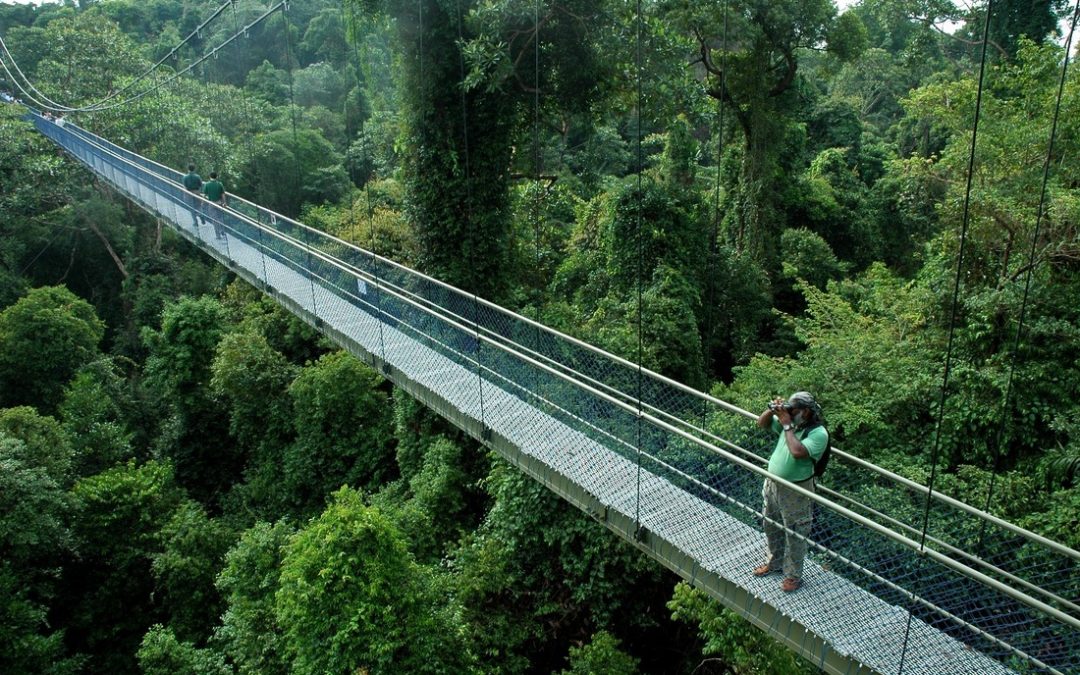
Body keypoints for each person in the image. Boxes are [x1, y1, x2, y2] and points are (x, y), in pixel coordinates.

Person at [752, 391, 829, 592]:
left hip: (796, 490)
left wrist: (786, 424)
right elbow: (761, 423)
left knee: (795, 533)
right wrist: (772, 410)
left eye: (793, 409)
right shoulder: (793, 422)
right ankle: (774, 563)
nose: (790, 412)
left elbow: (797, 452)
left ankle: (793, 576)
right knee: (771, 525)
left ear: (805, 412)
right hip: (773, 484)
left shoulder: (818, 433)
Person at [202, 172, 227, 239]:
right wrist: (224, 203)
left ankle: (218, 235)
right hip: (219, 203)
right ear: (216, 177)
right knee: (220, 218)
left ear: (210, 176)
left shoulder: (207, 184)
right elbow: (223, 194)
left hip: (212, 203)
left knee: (214, 220)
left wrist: (202, 203)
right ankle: (223, 231)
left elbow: (204, 195)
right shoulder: (219, 184)